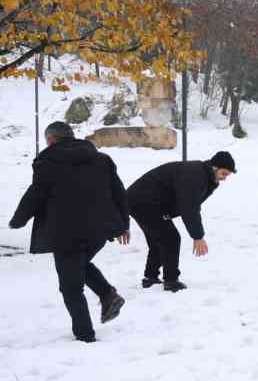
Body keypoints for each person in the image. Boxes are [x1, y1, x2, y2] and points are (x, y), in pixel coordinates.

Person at [8, 122, 130, 342]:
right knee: (80, 265)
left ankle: (85, 336)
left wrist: (18, 220)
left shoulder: (47, 163)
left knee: (71, 287)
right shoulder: (102, 159)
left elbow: (35, 195)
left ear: (51, 140)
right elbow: (118, 192)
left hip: (66, 234)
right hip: (99, 231)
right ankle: (107, 294)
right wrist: (124, 224)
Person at [126, 150, 235, 292]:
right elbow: (189, 208)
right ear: (214, 167)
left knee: (160, 239)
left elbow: (192, 205)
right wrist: (198, 236)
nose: (224, 178)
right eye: (224, 174)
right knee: (171, 238)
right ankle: (171, 281)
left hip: (145, 202)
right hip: (144, 202)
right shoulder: (195, 175)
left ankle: (151, 278)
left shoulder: (204, 176)